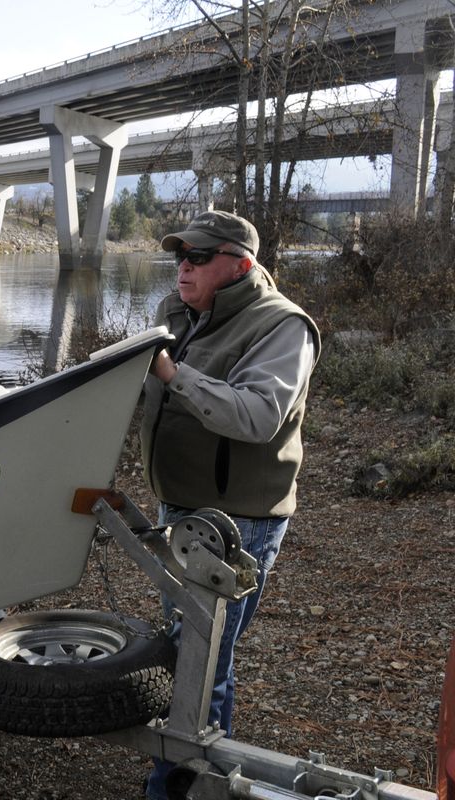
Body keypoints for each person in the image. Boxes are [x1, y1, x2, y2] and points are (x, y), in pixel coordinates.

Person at [141, 210, 319, 800]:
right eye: (178, 257)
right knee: (193, 649)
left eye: (197, 258)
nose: (183, 267)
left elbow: (256, 416)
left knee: (203, 656)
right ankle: (203, 777)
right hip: (182, 507)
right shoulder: (182, 316)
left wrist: (173, 373)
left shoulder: (283, 326)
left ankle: (179, 785)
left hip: (239, 519)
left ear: (238, 264)